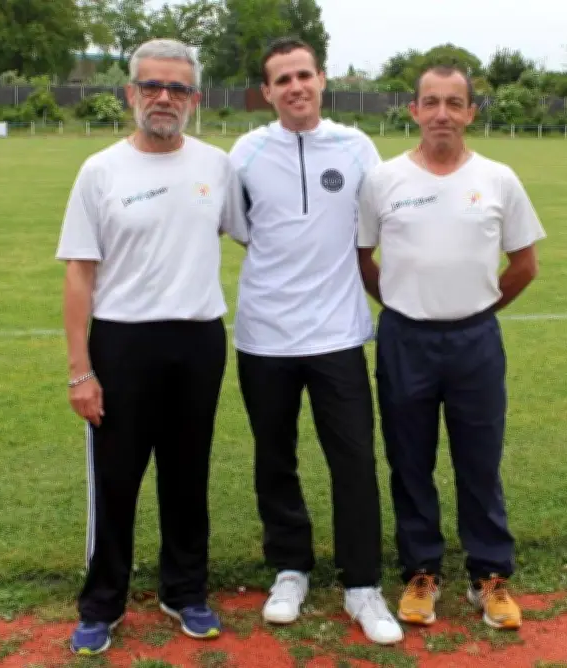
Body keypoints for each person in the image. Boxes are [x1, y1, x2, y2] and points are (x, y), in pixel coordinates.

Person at [55, 38, 249, 655]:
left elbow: (258, 238)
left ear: (195, 98)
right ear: (130, 93)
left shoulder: (216, 166)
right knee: (117, 478)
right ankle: (102, 602)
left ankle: (185, 590)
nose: (164, 98)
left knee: (187, 475)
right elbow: (79, 274)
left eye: (178, 88)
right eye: (152, 86)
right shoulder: (101, 170)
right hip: (122, 342)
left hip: (196, 339)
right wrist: (80, 372)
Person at [356, 65, 546, 631]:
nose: (442, 113)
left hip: (474, 342)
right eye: (431, 102)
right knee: (409, 461)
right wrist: (398, 302)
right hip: (405, 338)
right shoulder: (382, 180)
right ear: (412, 110)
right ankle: (421, 573)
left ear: (470, 113)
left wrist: (480, 309)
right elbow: (364, 259)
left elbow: (525, 265)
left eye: (454, 103)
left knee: (479, 462)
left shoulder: (499, 178)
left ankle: (490, 576)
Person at [227, 37, 403, 646]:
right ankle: (290, 569)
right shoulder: (246, 153)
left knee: (353, 459)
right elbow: (248, 231)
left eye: (304, 74)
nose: (295, 87)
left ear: (321, 80)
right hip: (264, 336)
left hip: (337, 334)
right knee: (274, 458)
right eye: (282, 79)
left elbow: (372, 228)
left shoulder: (357, 147)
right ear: (267, 91)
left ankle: (362, 585)